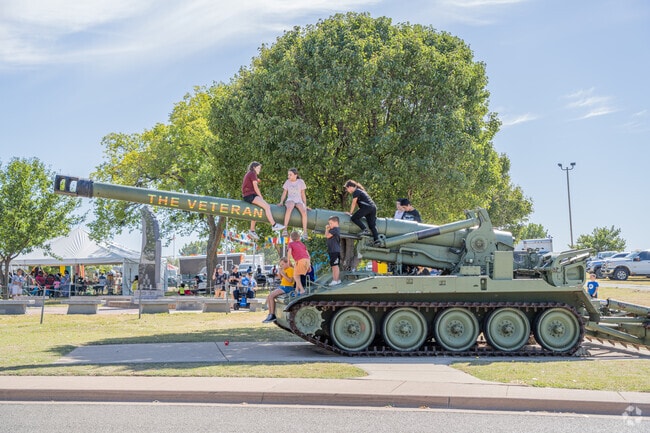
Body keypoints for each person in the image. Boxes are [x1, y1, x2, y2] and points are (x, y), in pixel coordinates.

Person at [241, 161, 285, 240]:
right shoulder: (252, 173)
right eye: (258, 168)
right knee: (267, 206)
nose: (259, 170)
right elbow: (255, 187)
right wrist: (261, 197)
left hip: (248, 195)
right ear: (254, 167)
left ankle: (252, 230)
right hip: (250, 195)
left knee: (257, 210)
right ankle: (274, 225)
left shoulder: (250, 174)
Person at [344, 180, 379, 244]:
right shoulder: (360, 191)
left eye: (346, 188)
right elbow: (359, 204)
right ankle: (377, 240)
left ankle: (364, 230)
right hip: (373, 208)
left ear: (350, 187)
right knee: (372, 225)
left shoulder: (356, 191)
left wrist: (350, 213)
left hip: (367, 207)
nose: (347, 190)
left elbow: (354, 203)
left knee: (353, 218)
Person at [279, 168, 308, 239]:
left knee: (304, 212)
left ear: (295, 175)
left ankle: (305, 232)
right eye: (288, 175)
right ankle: (285, 229)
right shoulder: (287, 182)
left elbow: (303, 194)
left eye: (290, 175)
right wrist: (281, 202)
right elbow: (284, 193)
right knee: (289, 208)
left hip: (299, 200)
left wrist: (305, 204)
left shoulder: (301, 182)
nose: (289, 176)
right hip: (290, 199)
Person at [263, 257, 294, 323]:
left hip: (287, 287)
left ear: (287, 263)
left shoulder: (290, 269)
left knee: (271, 296)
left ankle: (272, 314)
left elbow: (290, 280)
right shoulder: (284, 270)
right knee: (269, 296)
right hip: (282, 286)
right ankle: (270, 314)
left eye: (283, 264)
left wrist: (283, 274)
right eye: (280, 265)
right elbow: (280, 278)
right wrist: (280, 273)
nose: (282, 266)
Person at [287, 230, 311, 296]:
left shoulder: (290, 244)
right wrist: (309, 265)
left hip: (300, 260)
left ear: (291, 238)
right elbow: (308, 254)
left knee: (295, 276)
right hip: (307, 260)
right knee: (298, 274)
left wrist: (288, 261)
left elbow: (289, 252)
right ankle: (297, 290)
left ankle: (302, 290)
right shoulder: (302, 244)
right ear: (299, 237)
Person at [325, 216, 341, 286]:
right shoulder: (332, 229)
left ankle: (336, 280)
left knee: (335, 266)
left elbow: (327, 236)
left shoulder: (335, 229)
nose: (330, 225)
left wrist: (327, 229)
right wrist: (327, 229)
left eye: (331, 223)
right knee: (333, 265)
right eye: (329, 223)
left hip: (335, 250)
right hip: (332, 251)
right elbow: (326, 235)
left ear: (336, 222)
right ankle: (335, 279)